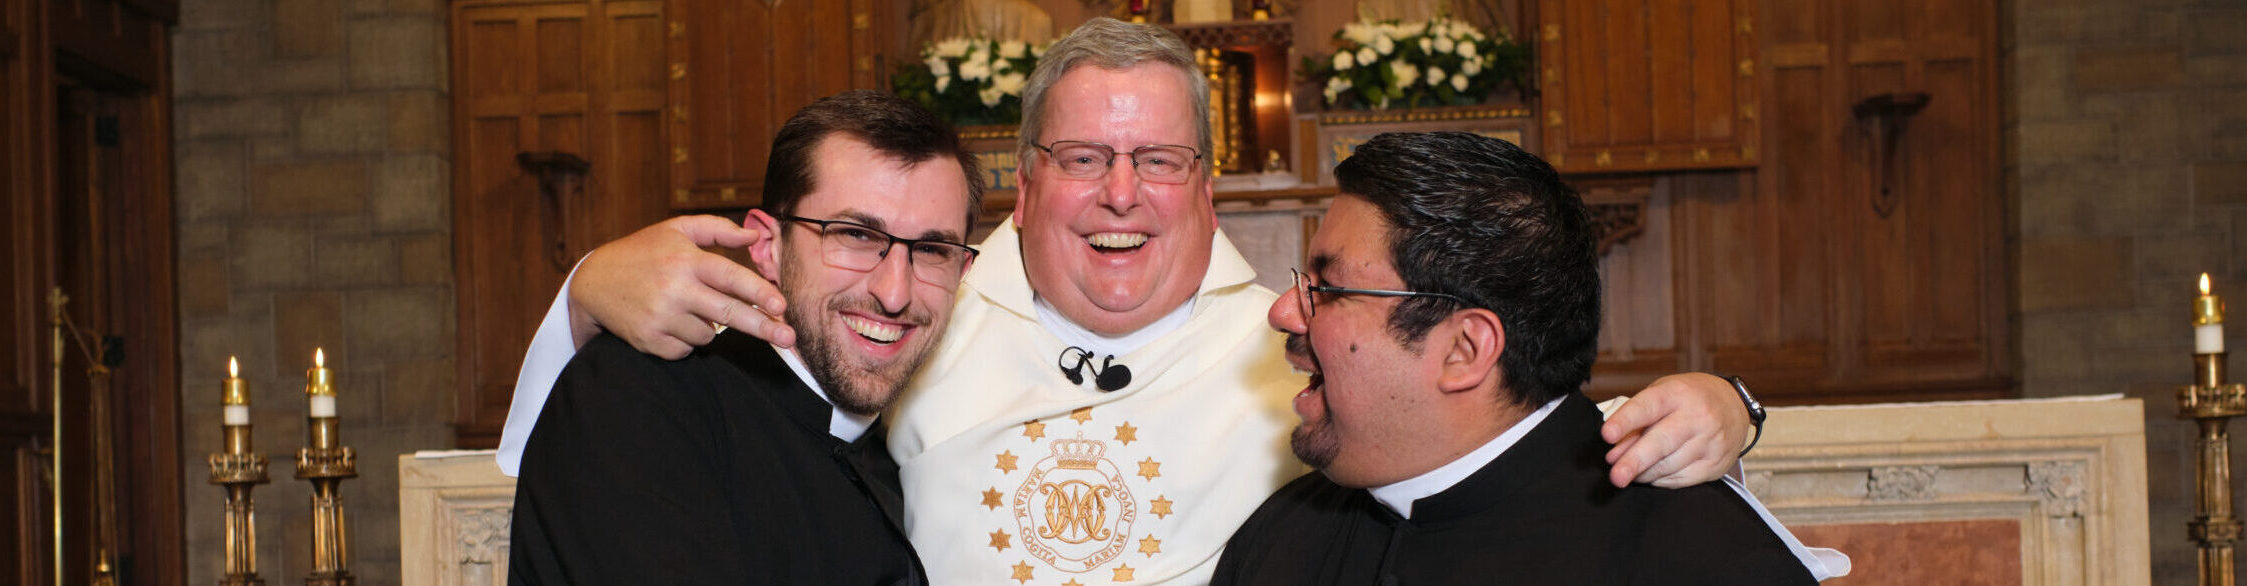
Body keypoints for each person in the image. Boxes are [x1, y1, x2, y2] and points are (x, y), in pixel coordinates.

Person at [498, 18, 1790, 584]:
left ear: (1204, 182)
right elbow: (712, 421)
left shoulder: (1308, 349)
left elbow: (1491, 433)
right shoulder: (916, 310)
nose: (1120, 196)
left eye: (1156, 159)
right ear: (1026, 179)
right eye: (1081, 158)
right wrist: (579, 294)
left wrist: (1720, 410)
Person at [1213, 132, 1827, 585]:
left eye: (1330, 288)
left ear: (1464, 349)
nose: (1284, 313)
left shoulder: (1699, 560)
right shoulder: (1284, 536)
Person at [506, 90, 983, 585]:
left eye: (932, 249)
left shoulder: (909, 448)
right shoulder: (637, 396)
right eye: (855, 235)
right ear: (768, 246)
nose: (895, 292)